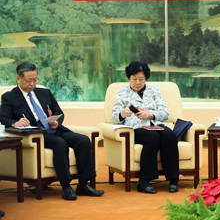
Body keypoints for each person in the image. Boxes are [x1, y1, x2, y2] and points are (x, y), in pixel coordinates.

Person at [0, 61, 103, 201]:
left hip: (53, 129)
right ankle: (66, 187)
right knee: (60, 143)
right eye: (28, 80)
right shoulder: (9, 97)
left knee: (83, 140)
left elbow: (58, 112)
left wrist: (56, 122)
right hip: (37, 134)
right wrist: (15, 123)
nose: (32, 84)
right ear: (18, 78)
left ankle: (83, 185)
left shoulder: (45, 92)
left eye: (35, 80)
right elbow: (3, 118)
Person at [111, 61, 179, 194]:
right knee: (152, 137)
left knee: (169, 135)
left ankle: (173, 180)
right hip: (136, 129)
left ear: (146, 78)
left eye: (141, 79)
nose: (138, 82)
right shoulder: (122, 93)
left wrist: (150, 114)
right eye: (134, 79)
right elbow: (113, 118)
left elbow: (165, 114)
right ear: (129, 78)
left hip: (156, 125)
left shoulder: (154, 91)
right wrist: (122, 113)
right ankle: (144, 181)